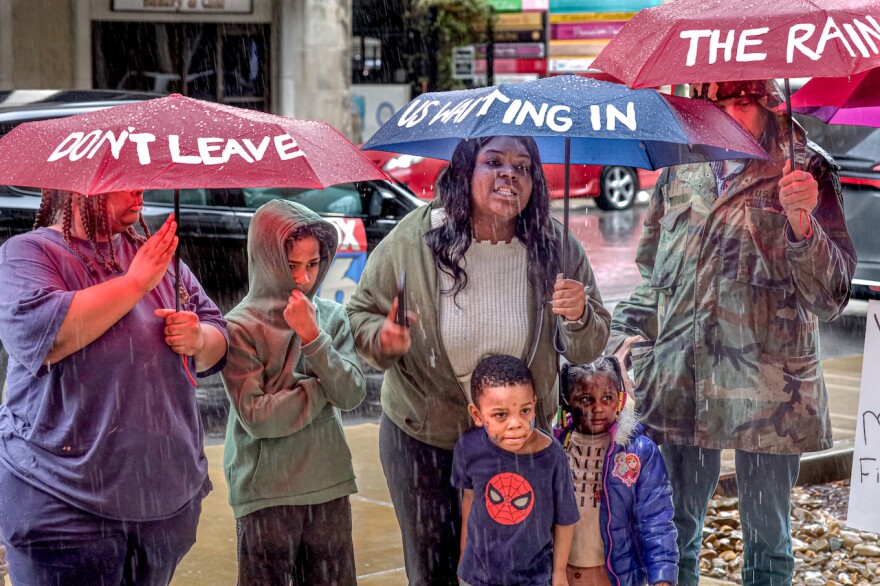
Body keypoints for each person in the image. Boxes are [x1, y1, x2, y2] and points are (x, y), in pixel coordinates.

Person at [608, 80, 856, 586]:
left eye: (742, 101)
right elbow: (656, 279)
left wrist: (802, 223)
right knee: (672, 534)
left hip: (769, 393)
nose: (729, 113)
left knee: (768, 543)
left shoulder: (805, 170)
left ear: (769, 101)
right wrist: (615, 344)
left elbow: (830, 297)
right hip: (682, 382)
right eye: (717, 101)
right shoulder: (682, 166)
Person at [347, 135, 611, 585]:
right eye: (494, 162)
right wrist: (384, 338)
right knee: (434, 570)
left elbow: (588, 348)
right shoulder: (414, 240)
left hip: (519, 443)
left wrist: (579, 314)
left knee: (514, 570)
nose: (510, 174)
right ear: (465, 171)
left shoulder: (557, 247)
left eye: (523, 167)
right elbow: (360, 317)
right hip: (425, 439)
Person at [0, 188, 228, 584]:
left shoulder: (157, 256)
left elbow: (218, 337)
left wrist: (200, 338)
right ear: (79, 188)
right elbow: (44, 337)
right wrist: (136, 282)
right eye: (123, 178)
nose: (138, 188)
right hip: (63, 506)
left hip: (162, 503)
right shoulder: (29, 253)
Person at [221, 200, 365, 585]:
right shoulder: (238, 327)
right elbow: (259, 418)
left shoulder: (331, 317)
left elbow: (351, 394)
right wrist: (321, 388)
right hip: (266, 493)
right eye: (291, 265)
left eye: (313, 264)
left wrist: (313, 338)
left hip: (329, 483)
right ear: (268, 261)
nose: (303, 278)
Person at [453, 354, 579, 586]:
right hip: (478, 577)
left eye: (525, 410)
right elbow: (469, 502)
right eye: (500, 415)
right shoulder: (468, 449)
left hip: (534, 578)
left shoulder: (552, 456)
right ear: (477, 415)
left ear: (534, 403)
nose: (515, 423)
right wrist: (464, 561)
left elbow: (565, 518)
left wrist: (559, 573)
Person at [556, 356, 677, 586]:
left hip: (614, 576)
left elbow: (656, 518)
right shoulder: (555, 447)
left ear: (620, 399)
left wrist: (662, 574)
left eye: (607, 398)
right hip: (560, 575)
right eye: (585, 399)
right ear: (567, 402)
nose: (598, 407)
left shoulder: (639, 452)